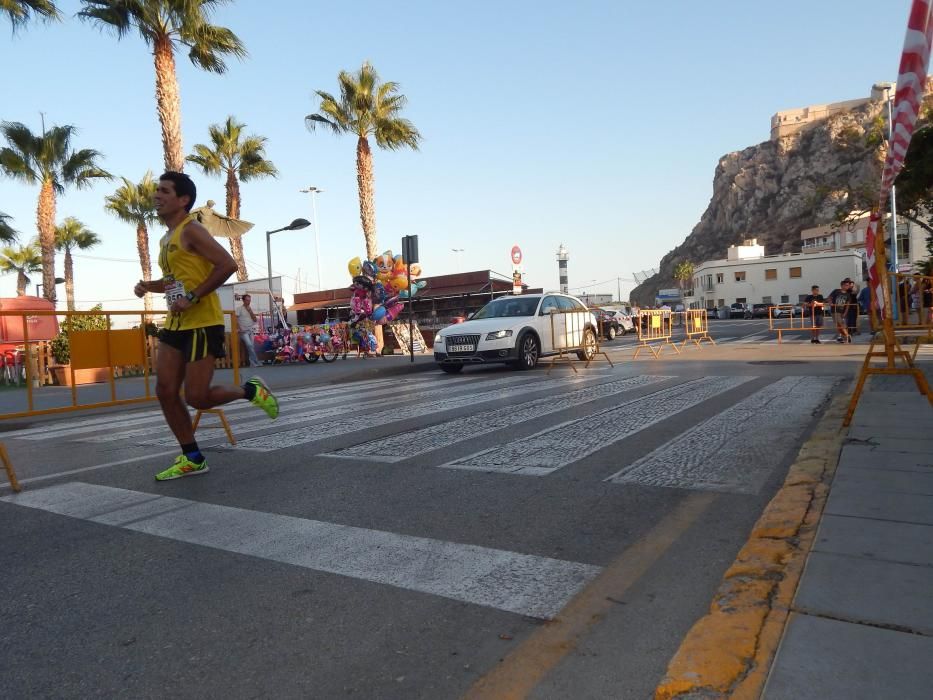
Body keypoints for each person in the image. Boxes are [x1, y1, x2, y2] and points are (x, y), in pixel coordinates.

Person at [134, 171, 279, 481]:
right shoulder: (166, 238)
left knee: (196, 397)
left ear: (183, 200)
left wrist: (193, 296)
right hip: (176, 323)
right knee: (165, 390)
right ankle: (193, 457)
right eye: (156, 190)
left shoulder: (192, 230)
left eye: (164, 191)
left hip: (202, 323)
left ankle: (249, 390)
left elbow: (228, 264)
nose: (157, 195)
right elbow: (176, 280)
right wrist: (149, 285)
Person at [236, 294, 262, 367]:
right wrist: (239, 328)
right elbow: (235, 319)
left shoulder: (250, 309)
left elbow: (255, 320)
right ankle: (256, 361)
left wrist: (250, 312)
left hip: (250, 330)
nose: (249, 302)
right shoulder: (239, 308)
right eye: (247, 300)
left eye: (249, 300)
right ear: (243, 300)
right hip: (243, 332)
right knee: (250, 345)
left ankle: (252, 363)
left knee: (251, 346)